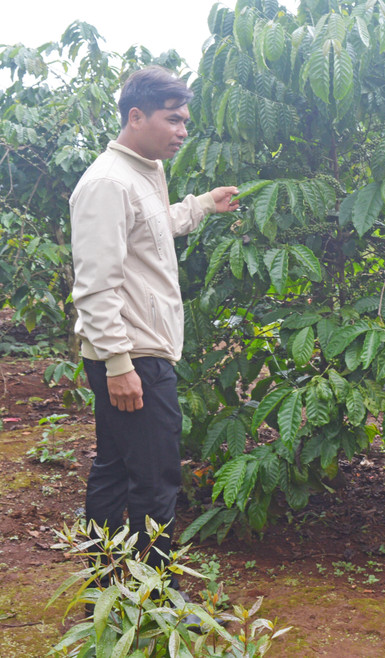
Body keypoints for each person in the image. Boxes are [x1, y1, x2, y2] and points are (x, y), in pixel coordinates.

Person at [70, 66, 239, 586]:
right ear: (136, 116)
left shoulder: (140, 171)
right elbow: (96, 285)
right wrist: (119, 364)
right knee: (154, 479)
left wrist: (202, 206)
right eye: (173, 119)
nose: (182, 131)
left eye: (186, 120)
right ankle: (152, 598)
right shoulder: (106, 183)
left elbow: (152, 229)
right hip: (133, 356)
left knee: (117, 470)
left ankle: (110, 589)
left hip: (138, 350)